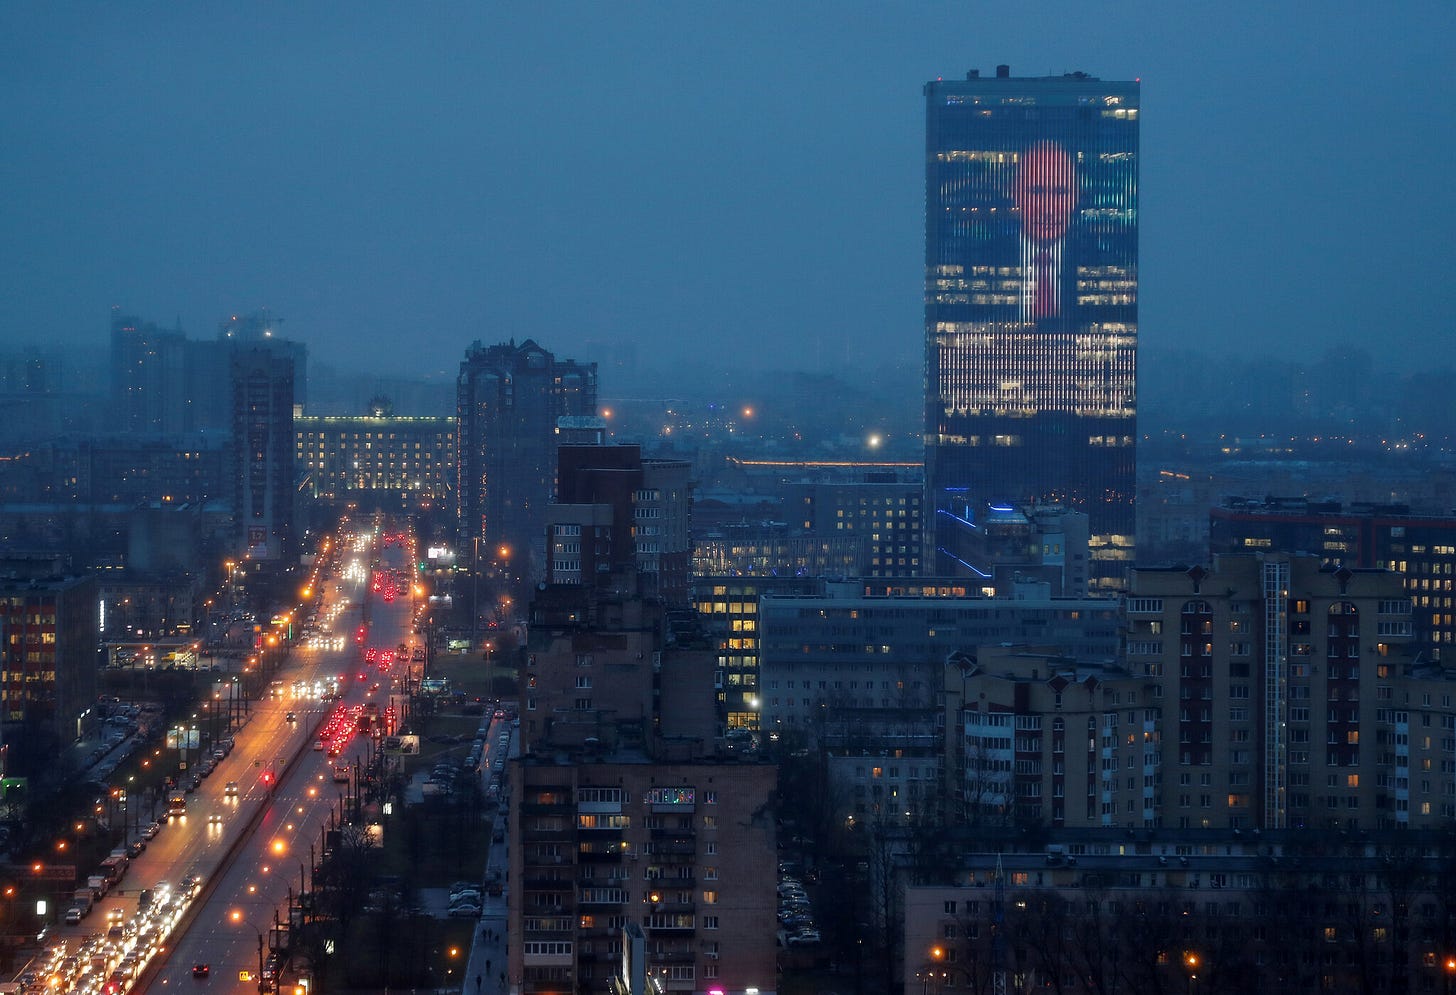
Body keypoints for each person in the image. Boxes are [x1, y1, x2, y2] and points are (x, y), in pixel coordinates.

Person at [1011, 140, 1078, 323]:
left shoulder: (1098, 261)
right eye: (1036, 191)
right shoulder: (984, 259)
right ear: (1015, 194)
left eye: (1061, 192)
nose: (1048, 209)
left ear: (1076, 197)